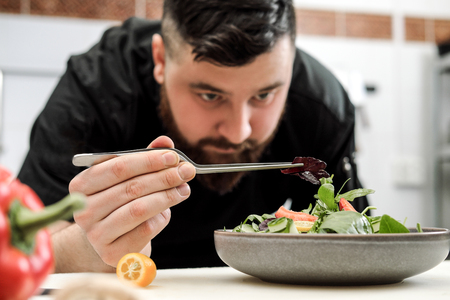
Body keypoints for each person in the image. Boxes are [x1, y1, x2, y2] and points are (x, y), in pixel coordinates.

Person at [18, 0, 369, 273]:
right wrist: (85, 248)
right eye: (210, 96)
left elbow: (358, 239)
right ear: (160, 60)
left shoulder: (321, 105)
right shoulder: (96, 89)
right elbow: (23, 250)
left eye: (264, 96)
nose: (238, 131)